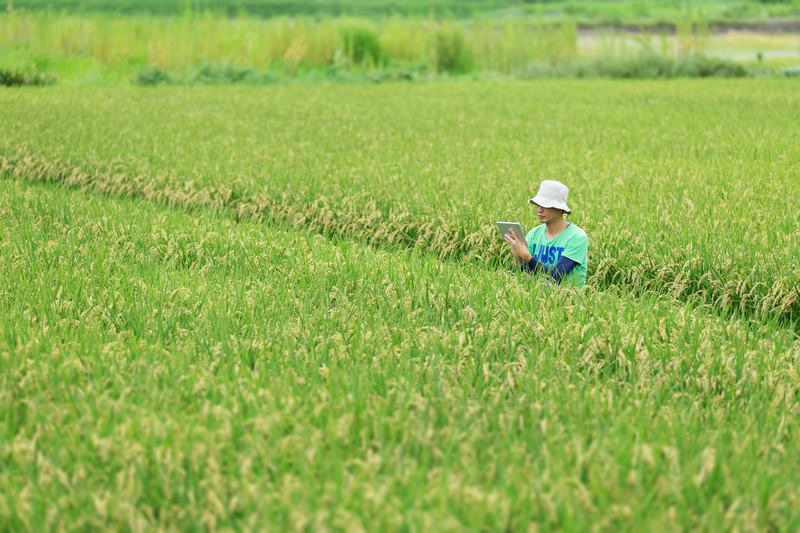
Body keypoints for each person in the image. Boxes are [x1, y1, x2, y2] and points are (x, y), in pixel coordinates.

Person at [503, 180, 589, 288]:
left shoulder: (577, 237)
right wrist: (518, 257)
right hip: (537, 298)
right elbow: (524, 275)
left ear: (560, 208)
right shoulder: (534, 234)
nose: (540, 210)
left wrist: (527, 257)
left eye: (546, 205)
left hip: (567, 301)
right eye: (538, 205)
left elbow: (556, 276)